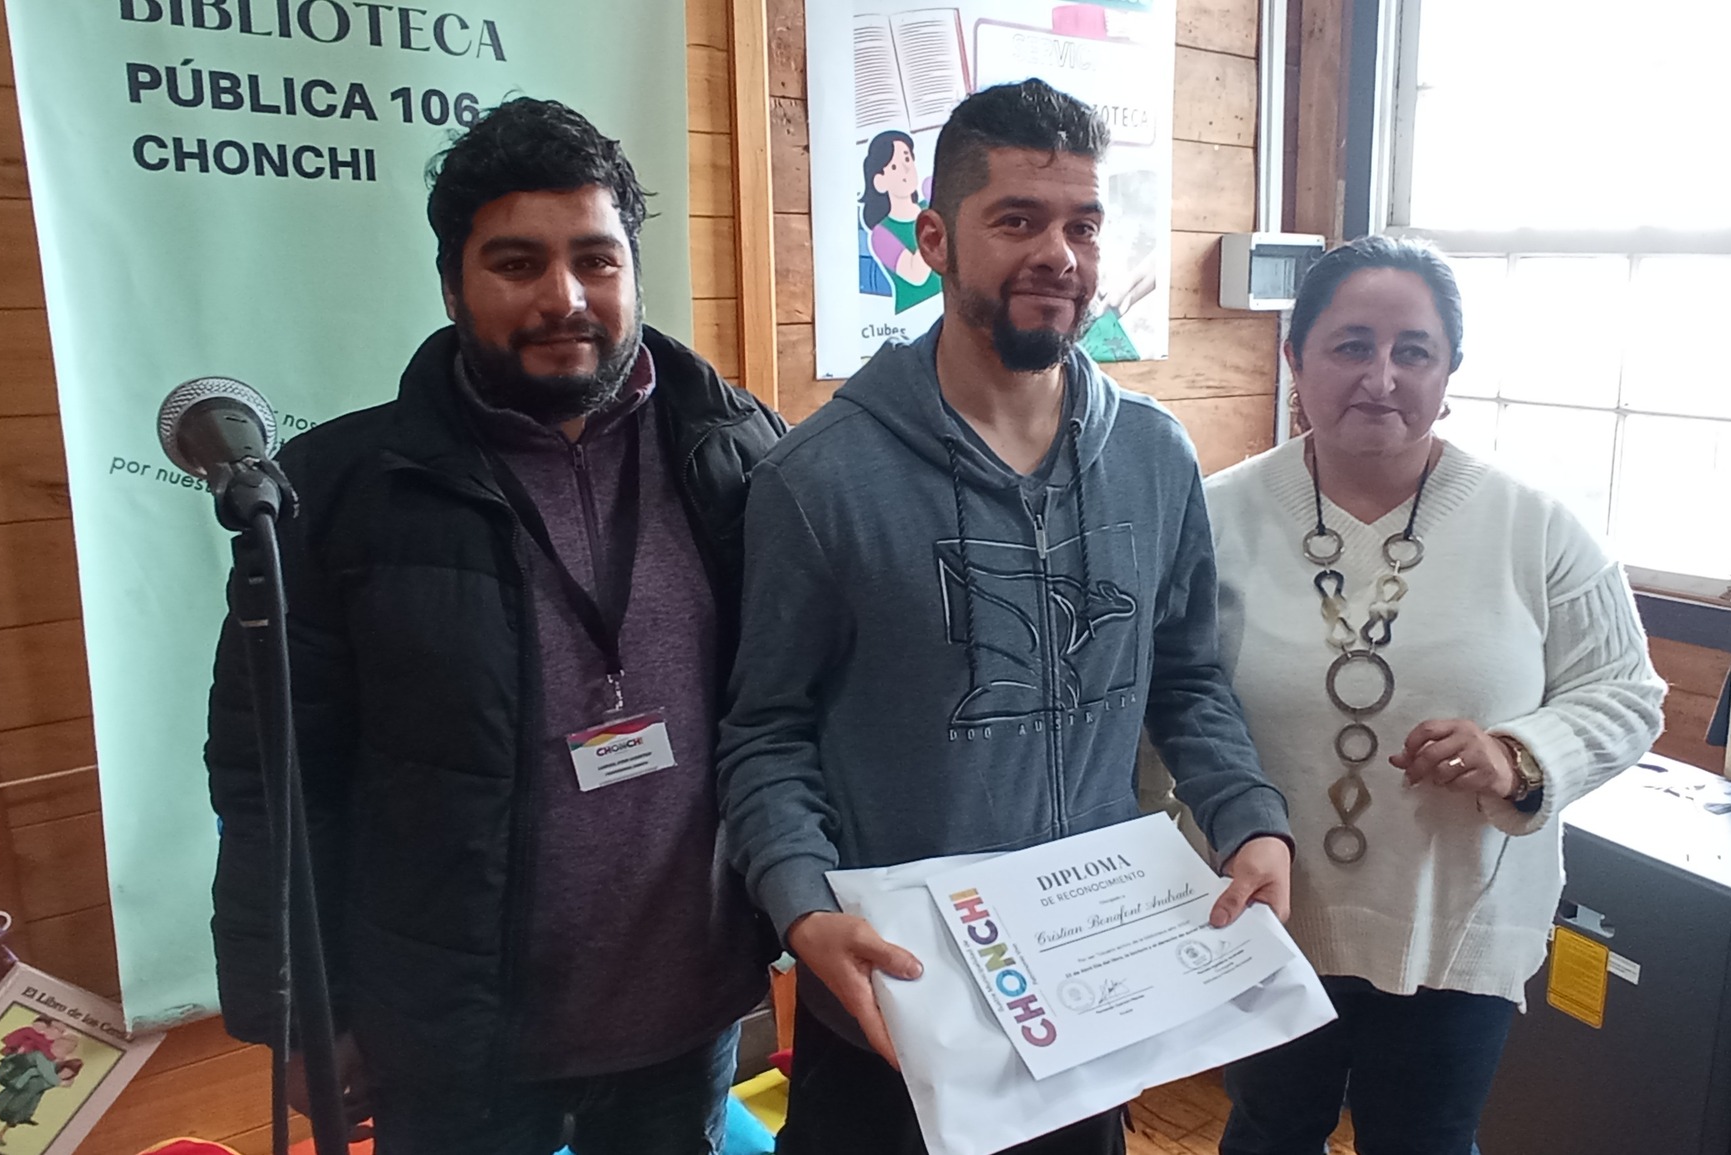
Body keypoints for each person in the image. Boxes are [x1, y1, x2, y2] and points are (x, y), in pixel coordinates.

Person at [717, 79, 1296, 1155]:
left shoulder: (1155, 457)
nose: (1058, 254)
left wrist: (1247, 816)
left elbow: (1184, 677)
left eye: (1080, 223)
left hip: (1088, 997)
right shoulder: (817, 480)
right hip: (896, 1001)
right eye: (1017, 219)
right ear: (935, 236)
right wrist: (800, 909)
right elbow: (765, 733)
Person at [203, 97, 784, 1155]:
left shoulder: (740, 455)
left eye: (595, 261)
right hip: (450, 1042)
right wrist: (297, 1012)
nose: (563, 297)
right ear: (451, 283)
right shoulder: (336, 494)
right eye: (516, 263)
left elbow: (791, 709)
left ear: (633, 273)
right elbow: (271, 779)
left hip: (683, 1016)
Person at [1198, 237, 1666, 1155]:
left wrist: (1518, 755)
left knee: (1425, 1140)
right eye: (1350, 344)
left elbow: (1625, 694)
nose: (1381, 376)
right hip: (1262, 907)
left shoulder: (1536, 527)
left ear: (1450, 370)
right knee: (1267, 1131)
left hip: (1455, 914)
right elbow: (1168, 698)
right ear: (1296, 359)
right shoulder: (1213, 516)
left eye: (1413, 350)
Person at [860, 130, 941, 313]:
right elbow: (916, 275)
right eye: (894, 167)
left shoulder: (927, 205)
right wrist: (937, 209)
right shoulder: (881, 234)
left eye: (907, 159)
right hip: (913, 317)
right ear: (880, 181)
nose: (906, 169)